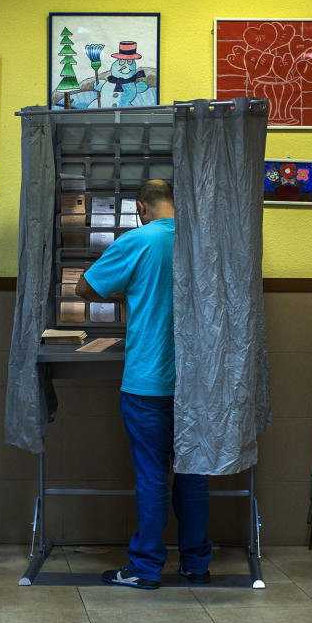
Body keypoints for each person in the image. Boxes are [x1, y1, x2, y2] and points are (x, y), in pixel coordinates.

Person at [76, 179, 212, 589]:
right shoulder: (200, 241)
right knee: (193, 474)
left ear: (141, 206)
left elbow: (84, 287)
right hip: (196, 383)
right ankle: (196, 564)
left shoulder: (138, 240)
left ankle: (146, 568)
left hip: (147, 380)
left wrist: (128, 297)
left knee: (153, 475)